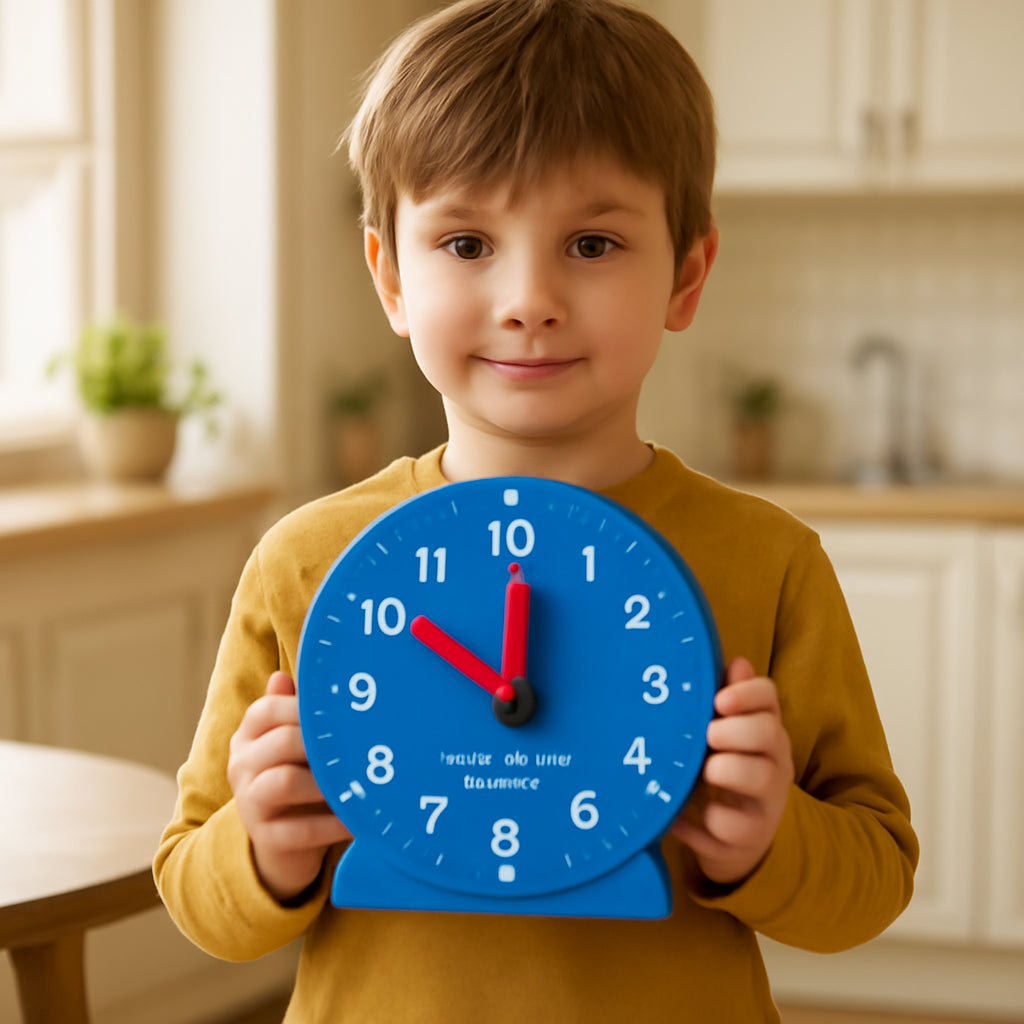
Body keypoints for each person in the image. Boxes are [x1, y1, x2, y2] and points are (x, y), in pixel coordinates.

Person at [154, 1, 918, 1019]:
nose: (528, 297)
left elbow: (872, 877)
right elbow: (195, 890)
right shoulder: (307, 563)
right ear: (389, 276)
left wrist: (774, 838)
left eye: (592, 245)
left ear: (685, 275)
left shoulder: (768, 561)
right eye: (466, 243)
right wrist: (264, 846)